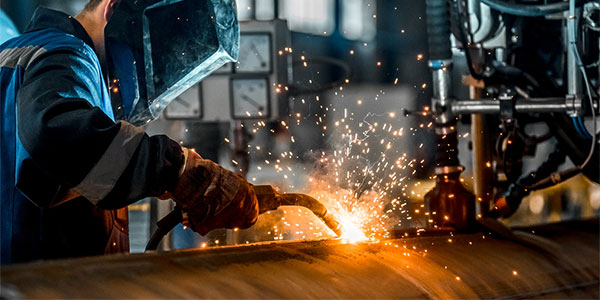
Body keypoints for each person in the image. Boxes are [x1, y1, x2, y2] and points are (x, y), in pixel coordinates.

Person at [0, 0, 258, 264]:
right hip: (32, 284)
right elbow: (54, 137)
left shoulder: (25, 53)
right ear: (112, 9)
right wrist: (174, 170)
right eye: (152, 58)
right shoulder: (68, 55)